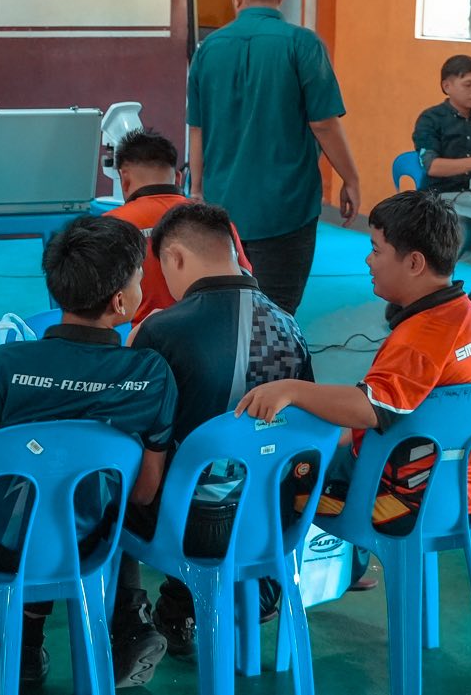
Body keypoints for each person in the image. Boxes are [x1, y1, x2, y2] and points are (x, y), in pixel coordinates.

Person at [0, 216, 179, 694]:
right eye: (137, 278)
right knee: (79, 502)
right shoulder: (150, 375)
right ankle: (106, 624)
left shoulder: (1, 366)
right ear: (120, 302)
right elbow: (144, 492)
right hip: (88, 543)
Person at [236, 189, 471, 535]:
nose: (368, 260)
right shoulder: (465, 317)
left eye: (377, 250)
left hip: (408, 500)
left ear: (414, 263)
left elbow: (369, 409)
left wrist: (291, 390)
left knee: (276, 481)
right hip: (460, 487)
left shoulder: (420, 339)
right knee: (324, 447)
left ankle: (271, 570)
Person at [128, 201, 314, 654]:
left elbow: (138, 433)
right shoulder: (289, 327)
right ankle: (243, 592)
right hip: (273, 521)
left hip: (194, 528)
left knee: (112, 480)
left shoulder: (163, 330)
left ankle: (132, 625)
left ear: (174, 258)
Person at [186, 0, 361, 315]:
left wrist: (198, 189)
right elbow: (324, 124)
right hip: (286, 208)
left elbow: (197, 129)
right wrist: (351, 178)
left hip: (223, 206)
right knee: (277, 313)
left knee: (227, 309)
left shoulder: (208, 50)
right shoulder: (303, 44)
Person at [103, 127, 252, 326]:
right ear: (178, 178)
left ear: (124, 179)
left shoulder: (109, 226)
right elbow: (246, 283)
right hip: (216, 335)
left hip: (141, 339)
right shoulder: (214, 221)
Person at [410, 55, 471, 196]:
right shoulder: (430, 119)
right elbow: (431, 166)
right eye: (468, 85)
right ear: (447, 86)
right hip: (438, 199)